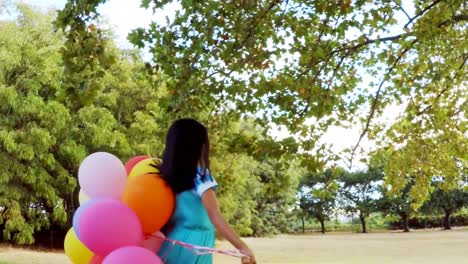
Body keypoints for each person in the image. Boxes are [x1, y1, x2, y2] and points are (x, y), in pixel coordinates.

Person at [157, 118, 256, 264]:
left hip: (173, 243)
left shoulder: (169, 175)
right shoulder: (200, 176)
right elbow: (215, 216)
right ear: (197, 146)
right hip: (195, 246)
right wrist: (243, 247)